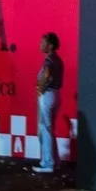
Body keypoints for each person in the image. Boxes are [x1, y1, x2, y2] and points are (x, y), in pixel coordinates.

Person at [35, 32, 63, 174]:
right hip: (56, 95)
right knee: (49, 129)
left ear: (50, 45)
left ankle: (48, 163)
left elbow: (46, 74)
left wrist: (40, 87)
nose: (40, 45)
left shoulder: (49, 60)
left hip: (47, 95)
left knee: (45, 129)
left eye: (43, 42)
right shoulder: (58, 59)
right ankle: (54, 161)